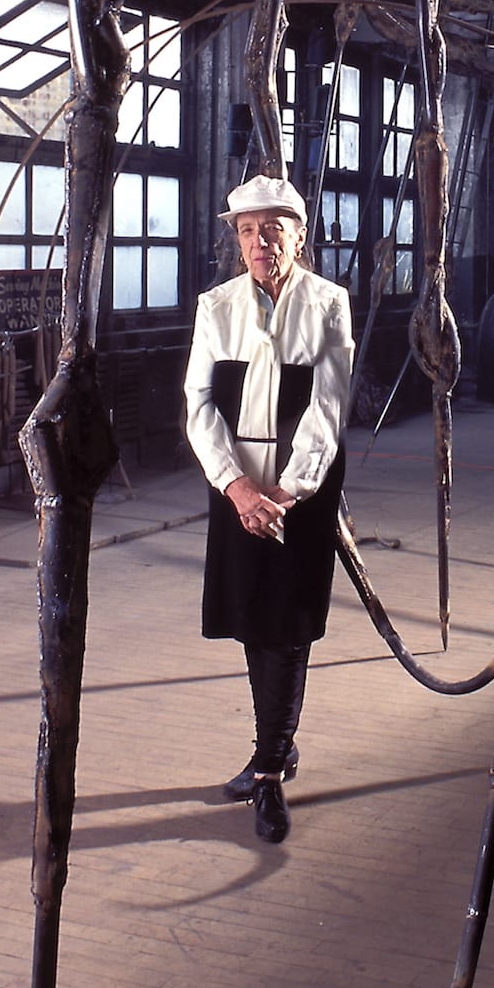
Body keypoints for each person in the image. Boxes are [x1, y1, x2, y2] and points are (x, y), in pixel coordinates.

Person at [184, 175, 353, 843]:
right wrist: (237, 487)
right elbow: (199, 406)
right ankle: (275, 747)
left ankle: (268, 775)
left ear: (298, 235)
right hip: (237, 490)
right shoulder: (216, 307)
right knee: (254, 619)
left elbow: (329, 405)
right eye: (248, 230)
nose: (260, 241)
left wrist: (287, 490)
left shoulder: (328, 304)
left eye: (273, 228)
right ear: (237, 237)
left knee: (290, 623)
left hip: (301, 494)